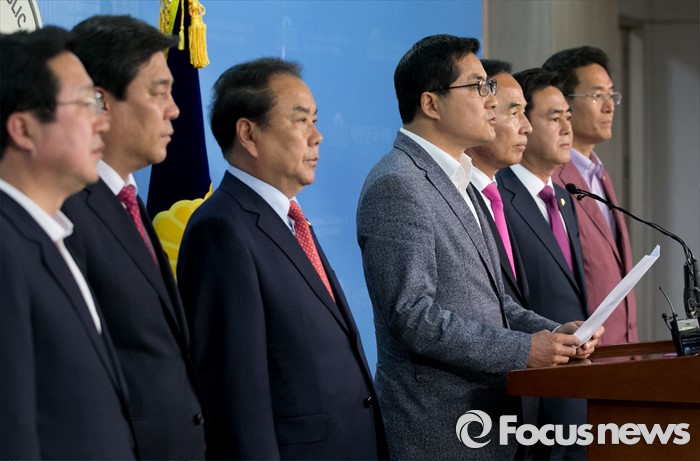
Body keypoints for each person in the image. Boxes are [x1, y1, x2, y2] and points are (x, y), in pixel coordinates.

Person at [356, 34, 601, 460]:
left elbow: (495, 302)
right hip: (439, 429)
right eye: (478, 86)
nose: (491, 100)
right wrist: (524, 349)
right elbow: (413, 316)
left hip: (488, 422)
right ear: (431, 104)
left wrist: (555, 333)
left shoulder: (463, 179)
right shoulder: (398, 184)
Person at [177, 57, 386, 460]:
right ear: (248, 134)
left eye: (315, 120)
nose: (317, 136)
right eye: (301, 120)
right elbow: (235, 394)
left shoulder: (290, 218)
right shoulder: (220, 229)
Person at [61, 15, 206, 459]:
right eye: (159, 92)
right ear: (101, 103)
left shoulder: (129, 201)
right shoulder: (65, 213)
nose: (175, 110)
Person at [0, 26, 135, 458]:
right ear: (23, 129)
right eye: (86, 104)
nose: (104, 121)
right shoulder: (6, 250)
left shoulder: (53, 234)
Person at [496, 68, 589, 460]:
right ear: (526, 123)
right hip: (531, 388)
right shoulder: (498, 196)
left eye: (568, 116)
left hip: (574, 379)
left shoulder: (564, 198)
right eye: (554, 117)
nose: (567, 127)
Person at [544, 46, 637, 345]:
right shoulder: (551, 179)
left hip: (622, 351)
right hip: (583, 351)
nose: (609, 107)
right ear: (563, 102)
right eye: (597, 95)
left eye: (612, 95)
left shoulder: (598, 172)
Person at [467, 59, 533, 309]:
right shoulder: (452, 196)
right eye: (514, 112)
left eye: (525, 112)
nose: (527, 127)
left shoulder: (502, 197)